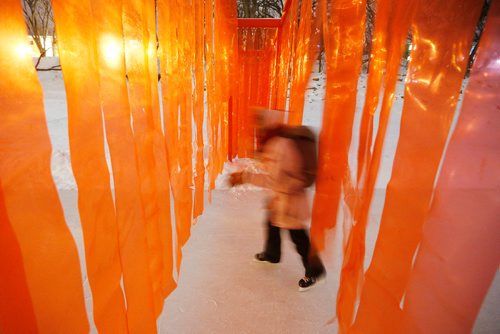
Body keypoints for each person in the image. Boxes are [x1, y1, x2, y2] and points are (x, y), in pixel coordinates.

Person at [230, 108, 325, 291]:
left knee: (298, 237)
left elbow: (274, 180)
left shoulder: (279, 145)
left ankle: (315, 270)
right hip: (284, 197)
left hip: (291, 200)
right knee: (272, 222)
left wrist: (245, 177)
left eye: (259, 122)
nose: (256, 127)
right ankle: (272, 253)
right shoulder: (276, 141)